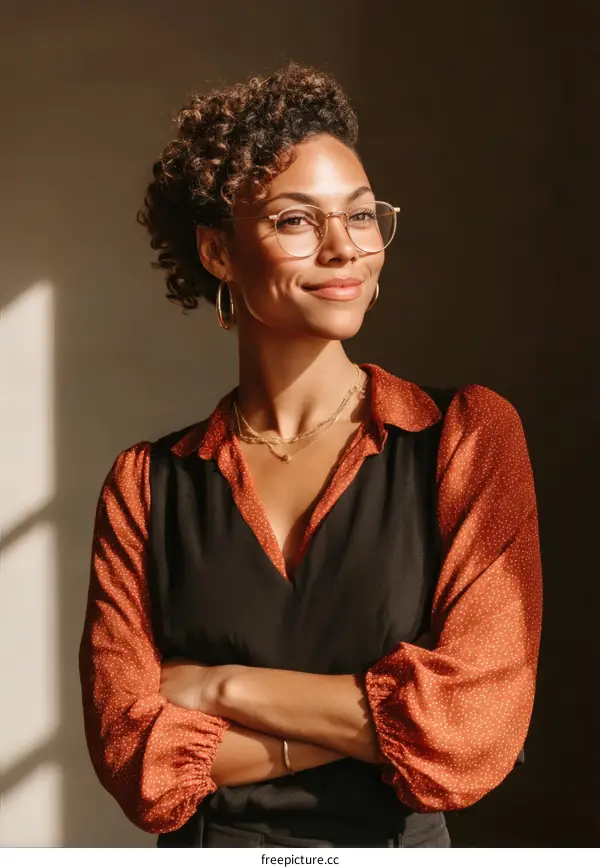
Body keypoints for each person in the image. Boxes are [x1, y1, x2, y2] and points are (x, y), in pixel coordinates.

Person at [78, 60, 543, 848]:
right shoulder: (145, 486)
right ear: (219, 252)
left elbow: (473, 735)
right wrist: (388, 722)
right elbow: (138, 766)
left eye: (361, 216)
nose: (344, 250)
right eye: (297, 220)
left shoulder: (465, 436)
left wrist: (221, 685)